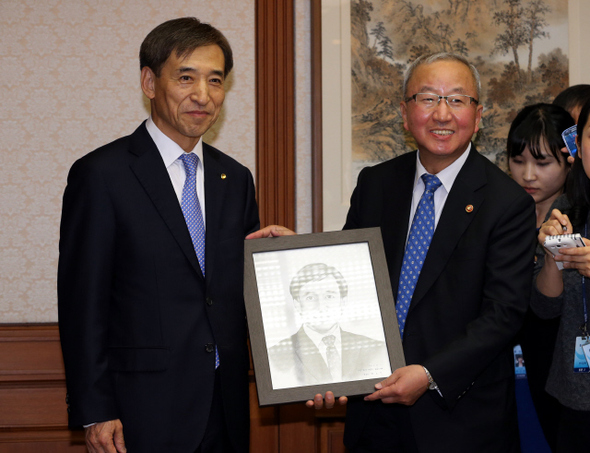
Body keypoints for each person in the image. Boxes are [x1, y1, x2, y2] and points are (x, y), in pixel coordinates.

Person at [250, 52, 536, 452]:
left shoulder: (507, 203)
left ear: (479, 114)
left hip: (461, 421)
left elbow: (503, 315)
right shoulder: (376, 183)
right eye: (427, 98)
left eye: (457, 99)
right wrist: (295, 252)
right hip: (374, 414)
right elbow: (349, 276)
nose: (442, 114)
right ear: (405, 113)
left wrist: (429, 373)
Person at [57, 17, 259, 453]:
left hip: (224, 409)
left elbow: (234, 291)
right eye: (186, 77)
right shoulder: (101, 175)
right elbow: (82, 302)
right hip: (138, 412)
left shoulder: (235, 178)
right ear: (150, 82)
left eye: (215, 80)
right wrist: (95, 408)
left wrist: (279, 261)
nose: (202, 95)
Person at [507, 103, 574, 450]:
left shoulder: (576, 217)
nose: (528, 175)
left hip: (561, 375)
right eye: (518, 161)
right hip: (504, 376)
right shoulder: (500, 214)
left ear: (570, 159)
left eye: (542, 163)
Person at [532, 99, 590, 452]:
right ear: (578, 148)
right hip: (575, 392)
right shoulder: (568, 209)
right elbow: (544, 308)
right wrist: (553, 257)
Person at [268, 263, 389, 388]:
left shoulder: (376, 350)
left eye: (329, 296)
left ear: (343, 302)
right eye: (310, 298)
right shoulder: (275, 356)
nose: (321, 307)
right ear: (298, 305)